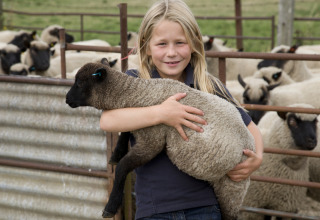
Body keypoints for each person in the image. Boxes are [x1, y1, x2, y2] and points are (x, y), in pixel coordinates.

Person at [100, 0, 263, 219]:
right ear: (146, 46)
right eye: (161, 44)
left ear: (194, 43)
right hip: (155, 210)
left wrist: (257, 157)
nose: (171, 53)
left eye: (180, 43)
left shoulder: (207, 85)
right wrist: (162, 113)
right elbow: (108, 120)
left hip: (204, 206)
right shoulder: (136, 83)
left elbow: (250, 127)